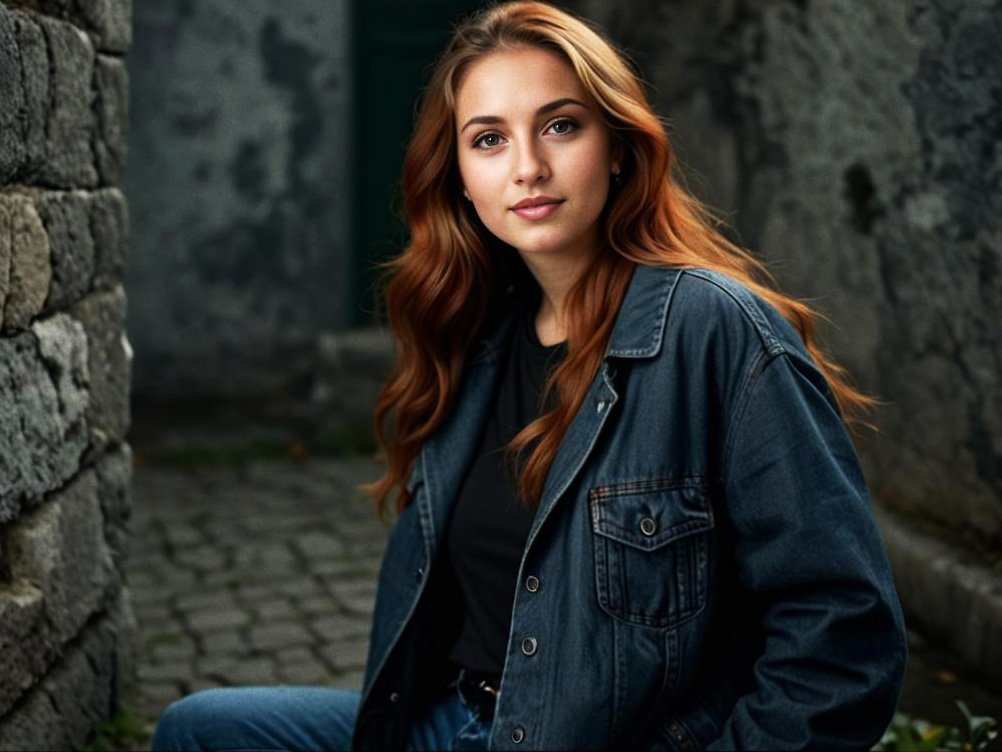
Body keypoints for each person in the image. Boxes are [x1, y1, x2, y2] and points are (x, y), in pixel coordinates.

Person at [151, 1, 908, 750]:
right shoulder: (477, 337)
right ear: (459, 179)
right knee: (203, 731)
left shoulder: (715, 330)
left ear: (617, 144)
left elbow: (843, 639)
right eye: (488, 139)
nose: (528, 168)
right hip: (460, 720)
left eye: (561, 125)